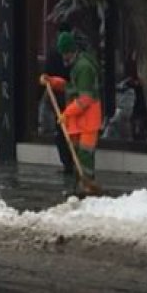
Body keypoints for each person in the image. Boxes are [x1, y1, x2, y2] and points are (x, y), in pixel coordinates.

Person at [40, 31, 102, 190]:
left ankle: (88, 186)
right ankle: (81, 186)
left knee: (84, 157)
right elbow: (71, 87)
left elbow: (85, 99)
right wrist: (52, 81)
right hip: (80, 121)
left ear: (70, 51)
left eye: (64, 54)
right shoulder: (77, 66)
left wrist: (66, 114)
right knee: (77, 158)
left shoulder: (84, 67)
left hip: (87, 121)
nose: (63, 58)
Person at [39, 24, 75, 175]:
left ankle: (68, 164)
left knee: (62, 130)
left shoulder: (54, 51)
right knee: (67, 130)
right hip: (67, 95)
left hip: (61, 95)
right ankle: (72, 163)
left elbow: (47, 72)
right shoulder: (68, 52)